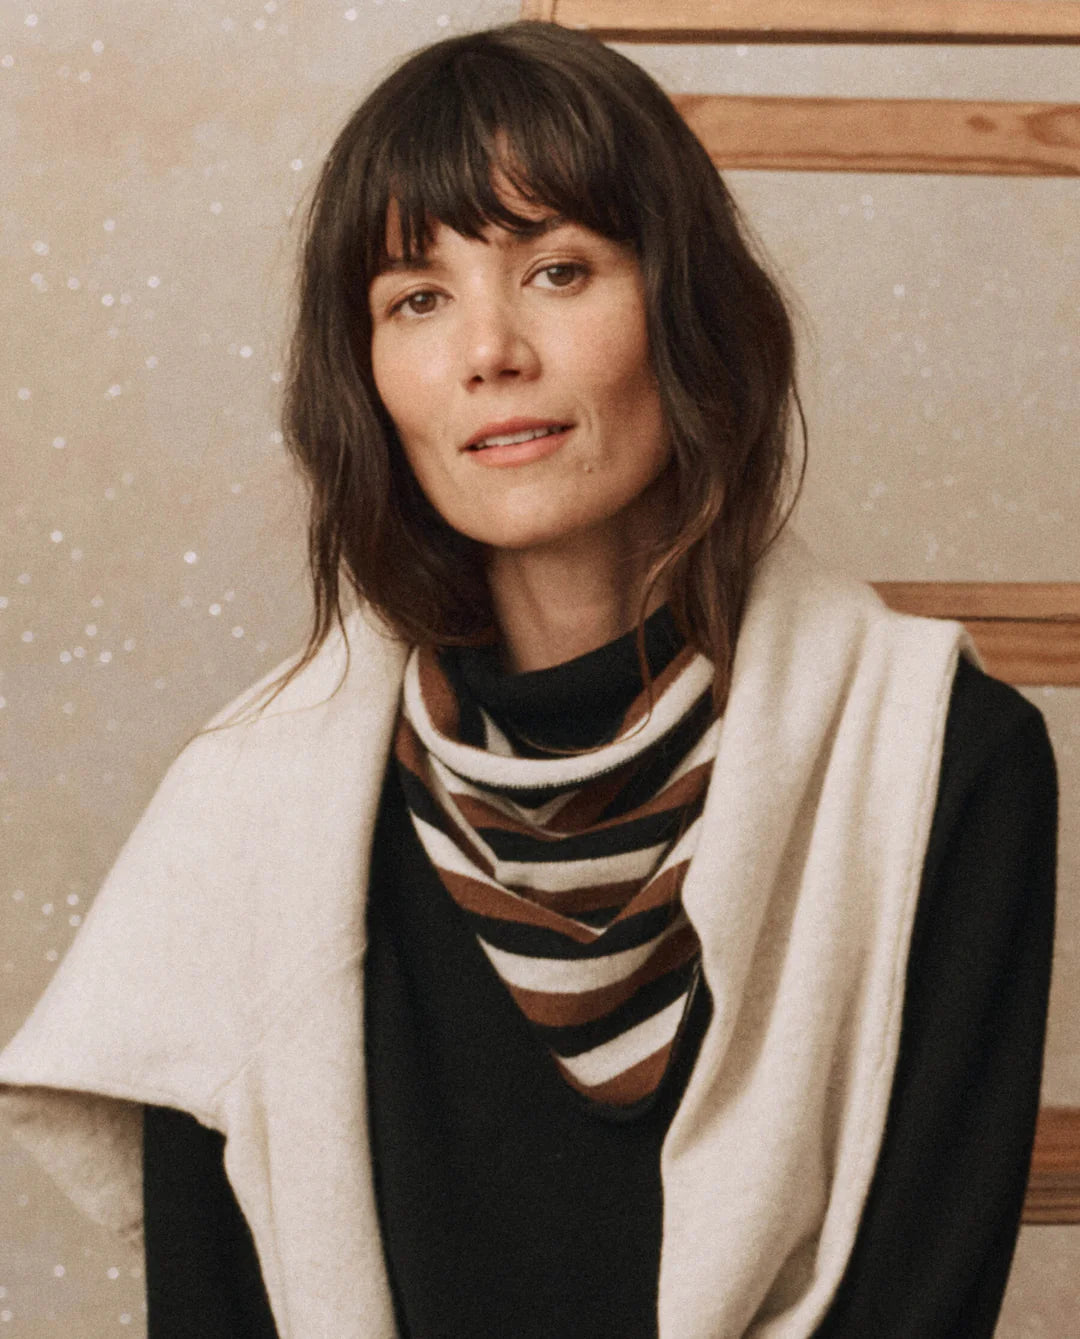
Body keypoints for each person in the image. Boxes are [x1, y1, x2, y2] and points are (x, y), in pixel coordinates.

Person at [0, 20, 1056, 1339]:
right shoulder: (242, 816)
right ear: (370, 376)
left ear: (681, 309)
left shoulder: (944, 763)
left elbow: (922, 1301)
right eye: (417, 299)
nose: (488, 349)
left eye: (557, 269)